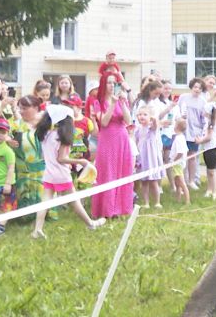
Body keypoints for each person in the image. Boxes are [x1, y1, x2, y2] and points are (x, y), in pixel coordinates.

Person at [32, 105, 105, 238]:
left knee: (45, 201)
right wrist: (81, 162)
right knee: (74, 201)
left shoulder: (46, 134)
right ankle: (90, 223)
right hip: (61, 174)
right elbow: (62, 158)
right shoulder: (62, 137)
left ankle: (38, 229)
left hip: (49, 173)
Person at [90, 72, 134, 219]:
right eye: (109, 82)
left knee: (122, 171)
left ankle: (121, 207)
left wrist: (122, 103)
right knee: (107, 172)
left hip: (122, 139)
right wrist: (113, 104)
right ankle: (106, 209)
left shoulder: (122, 100)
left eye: (114, 83)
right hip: (107, 140)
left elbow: (128, 120)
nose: (111, 85)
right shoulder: (98, 102)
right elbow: (103, 122)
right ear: (103, 84)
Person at [8, 95, 45, 218]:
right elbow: (2, 135)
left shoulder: (44, 124)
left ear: (35, 108)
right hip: (22, 166)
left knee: (41, 188)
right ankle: (25, 215)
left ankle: (44, 213)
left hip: (41, 166)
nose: (21, 111)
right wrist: (8, 140)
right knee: (24, 189)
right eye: (20, 108)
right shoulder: (16, 125)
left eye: (25, 108)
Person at [179, 78, 207, 191]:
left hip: (195, 132)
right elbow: (178, 111)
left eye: (200, 88)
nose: (197, 89)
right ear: (191, 87)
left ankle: (191, 180)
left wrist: (202, 134)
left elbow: (204, 119)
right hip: (183, 131)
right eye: (195, 87)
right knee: (181, 156)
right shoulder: (183, 97)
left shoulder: (202, 101)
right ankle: (182, 181)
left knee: (192, 157)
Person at [134, 105, 164, 208]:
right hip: (142, 157)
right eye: (140, 114)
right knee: (144, 182)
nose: (141, 116)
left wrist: (153, 118)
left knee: (153, 181)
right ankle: (146, 202)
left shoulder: (151, 128)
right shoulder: (138, 129)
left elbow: (156, 125)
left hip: (151, 158)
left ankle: (157, 202)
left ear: (150, 117)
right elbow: (136, 141)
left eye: (145, 114)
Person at [63, 95, 94, 190]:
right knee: (69, 183)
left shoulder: (86, 121)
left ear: (79, 107)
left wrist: (94, 120)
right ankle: (69, 203)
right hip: (68, 157)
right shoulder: (64, 121)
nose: (69, 109)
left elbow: (94, 134)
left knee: (83, 182)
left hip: (82, 157)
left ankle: (82, 202)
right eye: (67, 106)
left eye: (72, 107)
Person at [196, 101, 216, 199]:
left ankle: (214, 191)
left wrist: (199, 141)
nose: (203, 112)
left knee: (212, 171)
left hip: (211, 149)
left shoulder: (211, 124)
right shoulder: (209, 123)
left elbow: (208, 137)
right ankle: (209, 189)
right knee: (208, 171)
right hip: (207, 149)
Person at [158, 79, 181, 190]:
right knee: (159, 159)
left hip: (170, 134)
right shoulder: (157, 102)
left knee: (168, 159)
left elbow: (177, 118)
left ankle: (172, 185)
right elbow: (159, 116)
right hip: (160, 133)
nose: (167, 91)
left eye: (169, 89)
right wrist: (169, 108)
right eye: (165, 88)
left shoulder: (175, 104)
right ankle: (158, 185)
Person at [169, 118, 190, 205]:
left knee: (181, 182)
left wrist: (174, 161)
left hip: (177, 164)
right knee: (177, 183)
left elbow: (180, 152)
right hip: (178, 164)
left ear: (177, 127)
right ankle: (178, 199)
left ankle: (187, 200)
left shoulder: (179, 139)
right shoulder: (181, 138)